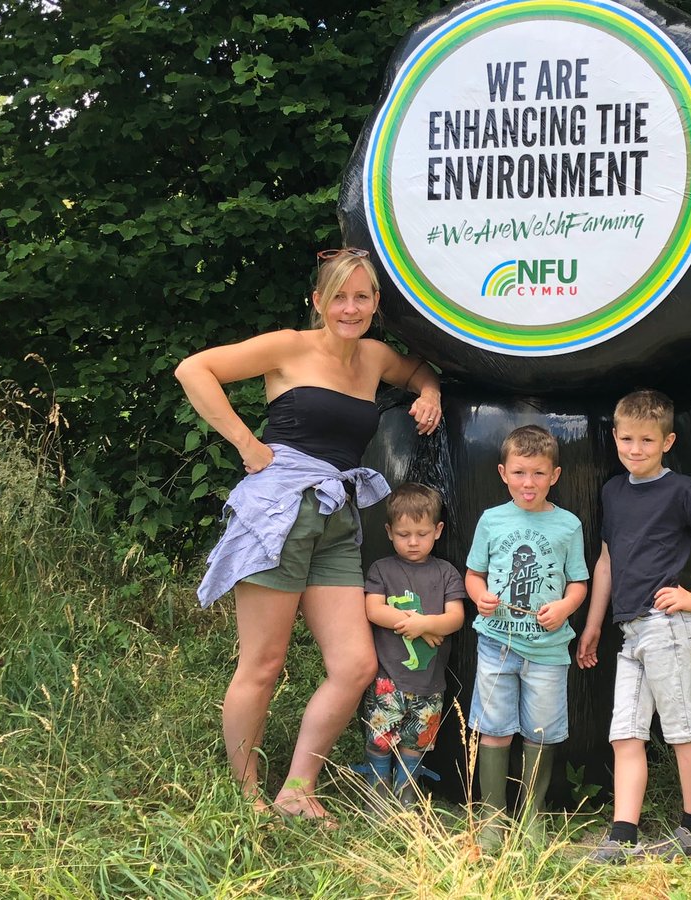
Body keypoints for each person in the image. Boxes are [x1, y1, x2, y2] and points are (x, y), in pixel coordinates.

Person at [175, 247, 442, 822]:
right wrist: (248, 445)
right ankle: (246, 795)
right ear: (318, 301)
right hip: (279, 509)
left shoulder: (372, 357)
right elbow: (193, 369)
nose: (350, 307)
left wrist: (431, 392)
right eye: (339, 296)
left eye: (362, 297)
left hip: (338, 516)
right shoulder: (290, 346)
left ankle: (297, 788)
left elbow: (417, 369)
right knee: (264, 662)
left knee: (354, 665)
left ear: (375, 304)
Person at [576, 389, 691, 862]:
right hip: (629, 630)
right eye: (626, 438)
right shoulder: (613, 490)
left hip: (668, 627)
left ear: (667, 441)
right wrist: (593, 626)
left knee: (682, 729)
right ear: (614, 436)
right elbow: (606, 561)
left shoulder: (682, 489)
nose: (635, 449)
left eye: (647, 440)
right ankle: (623, 836)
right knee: (625, 733)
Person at [465, 424, 589, 848]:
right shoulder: (491, 520)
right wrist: (480, 596)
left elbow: (579, 583)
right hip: (496, 643)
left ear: (554, 475)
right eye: (519, 473)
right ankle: (492, 814)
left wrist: (566, 607)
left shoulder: (568, 525)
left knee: (540, 731)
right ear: (503, 472)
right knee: (494, 727)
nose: (528, 483)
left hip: (548, 650)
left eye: (538, 473)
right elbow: (474, 574)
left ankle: (533, 815)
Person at [361, 482, 465, 809]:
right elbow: (373, 609)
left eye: (421, 533)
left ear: (438, 530)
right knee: (379, 740)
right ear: (390, 532)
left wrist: (427, 625)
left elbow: (456, 618)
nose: (413, 542)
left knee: (416, 742)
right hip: (387, 680)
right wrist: (416, 625)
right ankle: (377, 795)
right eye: (404, 534)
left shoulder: (446, 572)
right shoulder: (382, 569)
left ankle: (407, 795)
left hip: (430, 683)